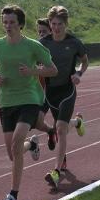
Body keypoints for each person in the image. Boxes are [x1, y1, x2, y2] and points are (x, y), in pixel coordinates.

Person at [0, 5, 58, 200]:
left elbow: (52, 70)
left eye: (12, 22)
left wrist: (32, 71)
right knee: (13, 152)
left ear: (21, 24)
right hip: (6, 101)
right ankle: (31, 145)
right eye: (5, 22)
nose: (8, 26)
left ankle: (13, 196)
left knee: (16, 142)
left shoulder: (33, 46)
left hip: (29, 99)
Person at [41, 6, 88, 190]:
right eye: (53, 24)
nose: (56, 27)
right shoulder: (43, 43)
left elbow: (84, 61)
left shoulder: (74, 43)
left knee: (60, 129)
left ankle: (56, 172)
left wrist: (79, 74)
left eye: (60, 24)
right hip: (50, 92)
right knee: (61, 127)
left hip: (67, 91)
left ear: (66, 24)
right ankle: (77, 123)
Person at [35, 18, 58, 151]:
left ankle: (62, 161)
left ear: (51, 31)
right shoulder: (35, 48)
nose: (42, 35)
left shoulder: (56, 48)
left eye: (44, 32)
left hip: (56, 91)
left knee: (60, 126)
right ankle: (50, 131)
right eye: (39, 32)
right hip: (41, 92)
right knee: (37, 122)